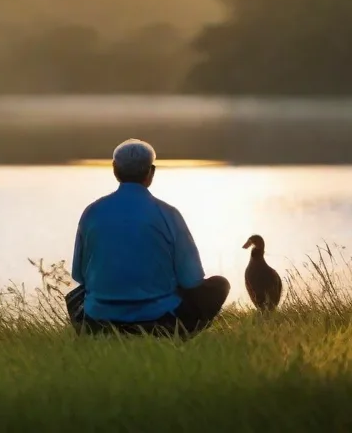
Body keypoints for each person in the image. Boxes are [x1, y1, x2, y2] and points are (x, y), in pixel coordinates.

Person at [65, 139, 230, 337]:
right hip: (160, 321)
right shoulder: (169, 214)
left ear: (114, 170)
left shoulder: (91, 212)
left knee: (75, 296)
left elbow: (80, 276)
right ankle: (177, 337)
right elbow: (191, 280)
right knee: (219, 285)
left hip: (100, 321)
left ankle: (100, 336)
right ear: (151, 172)